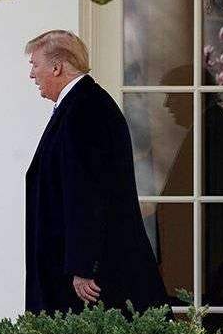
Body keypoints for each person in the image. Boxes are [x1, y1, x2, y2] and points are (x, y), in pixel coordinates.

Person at [24, 29, 171, 317]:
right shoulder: (80, 104)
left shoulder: (85, 109)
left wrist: (82, 265)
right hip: (76, 264)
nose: (32, 75)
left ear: (57, 67)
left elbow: (86, 192)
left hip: (89, 276)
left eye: (35, 65)